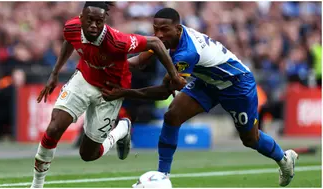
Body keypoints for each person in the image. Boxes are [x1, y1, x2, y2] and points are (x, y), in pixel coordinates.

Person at [101, 8, 298, 187]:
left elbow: (163, 91)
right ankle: (162, 176)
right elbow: (140, 61)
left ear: (178, 29)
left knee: (250, 139)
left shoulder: (187, 53)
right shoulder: (168, 37)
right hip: (208, 82)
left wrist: (124, 92)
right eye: (155, 29)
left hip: (236, 84)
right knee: (172, 115)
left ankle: (284, 158)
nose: (159, 34)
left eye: (164, 30)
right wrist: (111, 66)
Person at [31, 3, 186, 188]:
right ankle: (36, 185)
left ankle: (121, 129)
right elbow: (69, 40)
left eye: (99, 21)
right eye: (90, 20)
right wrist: (55, 72)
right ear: (81, 18)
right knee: (54, 128)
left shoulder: (117, 40)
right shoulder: (72, 26)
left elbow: (155, 43)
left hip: (110, 91)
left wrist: (174, 76)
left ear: (105, 20)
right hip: (84, 79)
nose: (94, 25)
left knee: (88, 155)